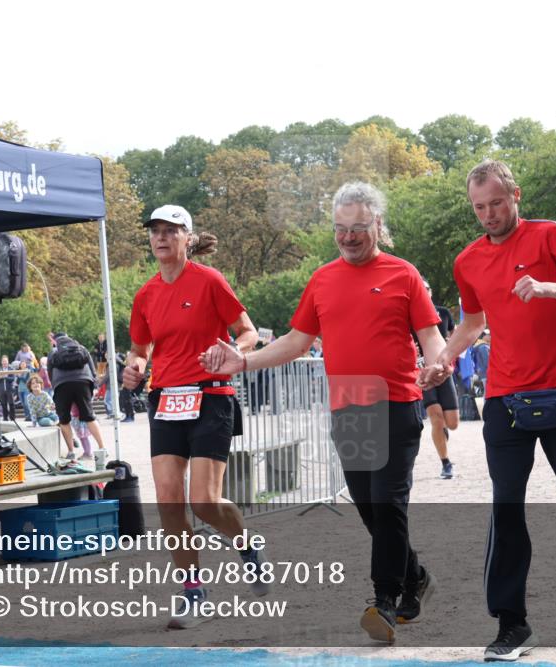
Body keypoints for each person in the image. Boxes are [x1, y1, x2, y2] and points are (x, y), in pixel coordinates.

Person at [200, 183, 447, 644]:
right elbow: (296, 342)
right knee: (370, 507)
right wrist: (243, 361)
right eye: (340, 229)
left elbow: (429, 334)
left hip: (396, 400)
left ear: (377, 225)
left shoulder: (403, 274)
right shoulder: (323, 279)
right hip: (349, 404)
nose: (348, 237)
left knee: (389, 501)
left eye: (357, 228)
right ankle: (415, 578)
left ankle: (385, 602)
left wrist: (437, 361)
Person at [435, 160, 556, 661]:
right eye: (479, 207)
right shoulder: (467, 261)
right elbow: (472, 321)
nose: (488, 214)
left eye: (496, 203)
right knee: (506, 504)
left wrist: (548, 288)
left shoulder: (549, 236)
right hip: (505, 395)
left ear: (515, 195)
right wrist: (444, 358)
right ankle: (512, 623)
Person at [123, 204, 264, 630]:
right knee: (168, 500)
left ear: (188, 238)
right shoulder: (146, 294)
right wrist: (134, 366)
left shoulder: (209, 281)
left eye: (171, 231)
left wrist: (233, 352)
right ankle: (193, 592)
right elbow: (140, 348)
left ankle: (246, 543)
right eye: (155, 231)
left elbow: (249, 331)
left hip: (211, 397)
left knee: (204, 501)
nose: (161, 237)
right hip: (166, 399)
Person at [47, 333, 109, 469]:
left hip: (61, 384)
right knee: (89, 416)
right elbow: (92, 369)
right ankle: (102, 447)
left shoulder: (54, 351)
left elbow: (50, 372)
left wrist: (55, 387)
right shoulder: (81, 347)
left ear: (55, 341)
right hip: (83, 382)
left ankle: (71, 452)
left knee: (64, 420)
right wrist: (92, 386)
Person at [420, 278, 459, 480]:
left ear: (431, 291)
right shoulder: (411, 315)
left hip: (444, 369)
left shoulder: (443, 312)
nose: (423, 292)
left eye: (426, 288)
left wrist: (451, 349)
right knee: (435, 416)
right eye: (420, 289)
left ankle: (443, 429)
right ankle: (445, 463)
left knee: (451, 423)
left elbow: (454, 334)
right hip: (422, 371)